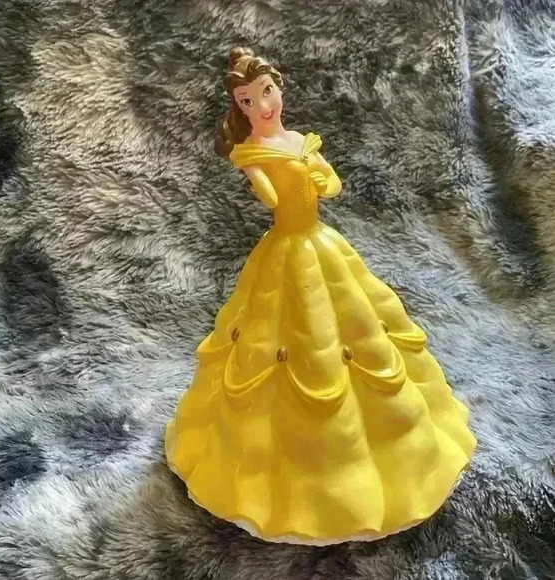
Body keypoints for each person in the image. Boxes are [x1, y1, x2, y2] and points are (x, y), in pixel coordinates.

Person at [164, 47, 477, 545]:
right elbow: (270, 199)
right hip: (286, 249)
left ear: (279, 89)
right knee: (285, 333)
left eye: (267, 92)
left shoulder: (299, 141)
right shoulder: (253, 152)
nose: (262, 106)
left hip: (321, 243)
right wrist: (263, 176)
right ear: (240, 108)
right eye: (248, 101)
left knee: (358, 326)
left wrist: (316, 173)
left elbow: (332, 185)